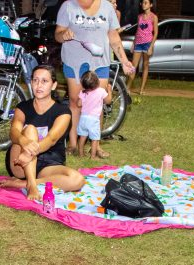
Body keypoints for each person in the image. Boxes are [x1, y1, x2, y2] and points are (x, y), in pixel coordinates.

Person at [56, 0, 136, 152]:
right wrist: (63, 34)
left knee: (97, 103)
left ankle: (95, 145)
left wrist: (124, 61)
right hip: (74, 61)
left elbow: (113, 37)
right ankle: (73, 144)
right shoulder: (68, 6)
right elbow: (58, 34)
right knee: (75, 102)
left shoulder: (106, 7)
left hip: (100, 62)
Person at [0, 64, 85, 202]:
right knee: (31, 129)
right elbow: (13, 132)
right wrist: (24, 141)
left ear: (54, 85)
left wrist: (31, 152)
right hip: (20, 162)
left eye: (44, 81)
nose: (39, 85)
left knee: (77, 180)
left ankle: (24, 183)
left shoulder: (63, 112)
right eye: (35, 80)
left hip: (48, 163)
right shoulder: (22, 108)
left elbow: (51, 139)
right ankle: (32, 186)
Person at [127, 0, 158, 95]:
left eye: (146, 3)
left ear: (151, 5)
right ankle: (127, 87)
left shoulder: (154, 17)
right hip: (138, 43)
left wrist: (151, 46)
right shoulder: (139, 17)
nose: (143, 5)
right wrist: (133, 43)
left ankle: (142, 89)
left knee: (145, 65)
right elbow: (137, 31)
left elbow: (156, 33)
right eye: (142, 3)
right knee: (133, 66)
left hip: (147, 43)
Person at [76, 70, 109, 158]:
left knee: (82, 137)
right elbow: (108, 101)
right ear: (97, 82)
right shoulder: (101, 91)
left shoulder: (83, 92)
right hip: (93, 119)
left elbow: (78, 104)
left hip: (83, 118)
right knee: (94, 139)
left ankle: (81, 154)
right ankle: (93, 156)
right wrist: (109, 90)